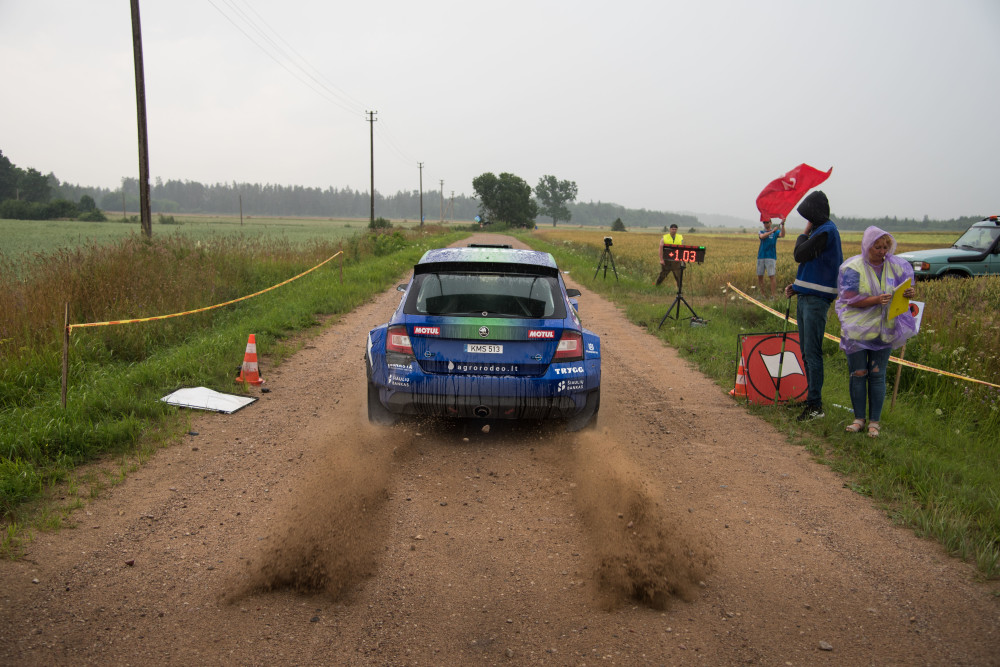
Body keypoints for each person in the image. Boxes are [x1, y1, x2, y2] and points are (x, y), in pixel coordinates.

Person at [835, 226, 917, 437]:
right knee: (858, 373)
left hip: (884, 330)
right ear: (867, 246)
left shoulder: (897, 267)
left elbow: (905, 289)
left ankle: (875, 423)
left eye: (884, 247)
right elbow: (849, 298)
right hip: (858, 331)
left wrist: (909, 292)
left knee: (878, 375)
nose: (881, 251)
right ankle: (859, 419)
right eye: (877, 247)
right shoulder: (853, 267)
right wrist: (875, 300)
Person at [783, 191, 842, 422]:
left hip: (817, 301)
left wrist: (803, 233)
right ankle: (811, 399)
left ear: (815, 214)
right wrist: (797, 287)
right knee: (807, 353)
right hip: (807, 297)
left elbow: (799, 255)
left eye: (808, 216)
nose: (806, 220)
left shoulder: (826, 231)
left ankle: (815, 406)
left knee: (813, 354)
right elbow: (814, 266)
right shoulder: (822, 230)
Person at [757, 218, 785, 297]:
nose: (765, 224)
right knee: (760, 276)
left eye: (767, 222)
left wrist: (782, 225)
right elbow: (762, 237)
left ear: (770, 222)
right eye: (764, 222)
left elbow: (782, 235)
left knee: (771, 276)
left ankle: (773, 295)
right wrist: (772, 231)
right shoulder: (761, 232)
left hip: (771, 257)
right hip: (761, 256)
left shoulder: (776, 232)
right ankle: (762, 295)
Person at [655, 224, 685, 289]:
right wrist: (661, 259)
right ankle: (656, 287)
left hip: (676, 261)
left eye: (675, 229)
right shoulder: (664, 238)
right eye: (672, 229)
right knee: (662, 275)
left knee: (678, 276)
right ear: (670, 229)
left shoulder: (680, 237)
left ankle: (680, 291)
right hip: (667, 260)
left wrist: (682, 260)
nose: (674, 231)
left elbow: (682, 249)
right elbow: (660, 249)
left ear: (677, 230)